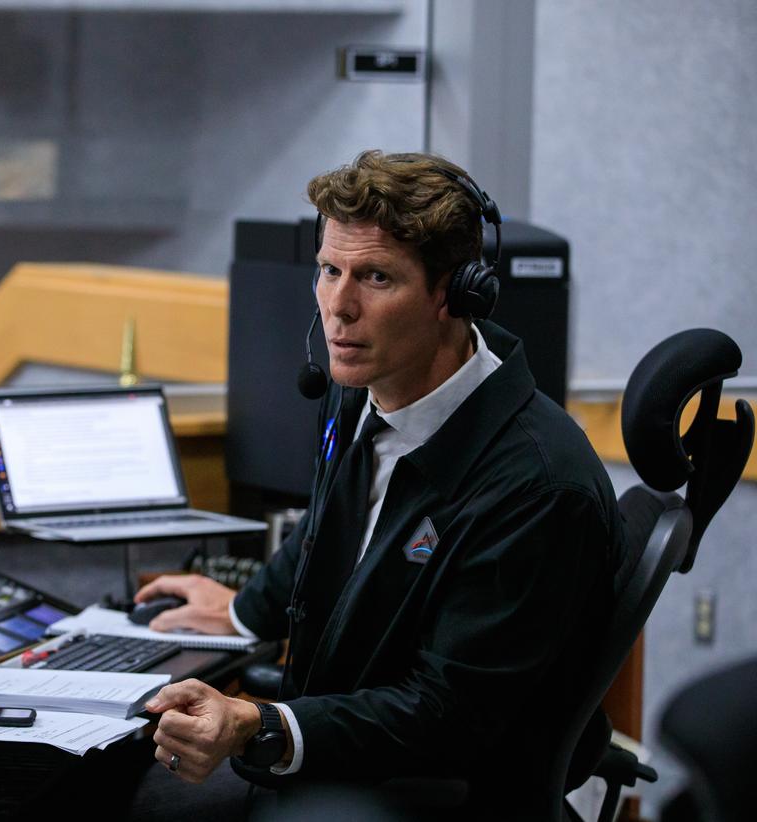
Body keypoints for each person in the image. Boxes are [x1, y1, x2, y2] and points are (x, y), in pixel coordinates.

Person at [131, 150, 626, 816]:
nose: (339, 307)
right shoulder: (364, 389)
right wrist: (243, 611)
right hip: (351, 740)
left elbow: (447, 713)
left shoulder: (535, 487)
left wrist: (263, 725)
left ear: (455, 295)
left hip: (435, 786)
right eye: (330, 271)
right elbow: (327, 526)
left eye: (376, 277)